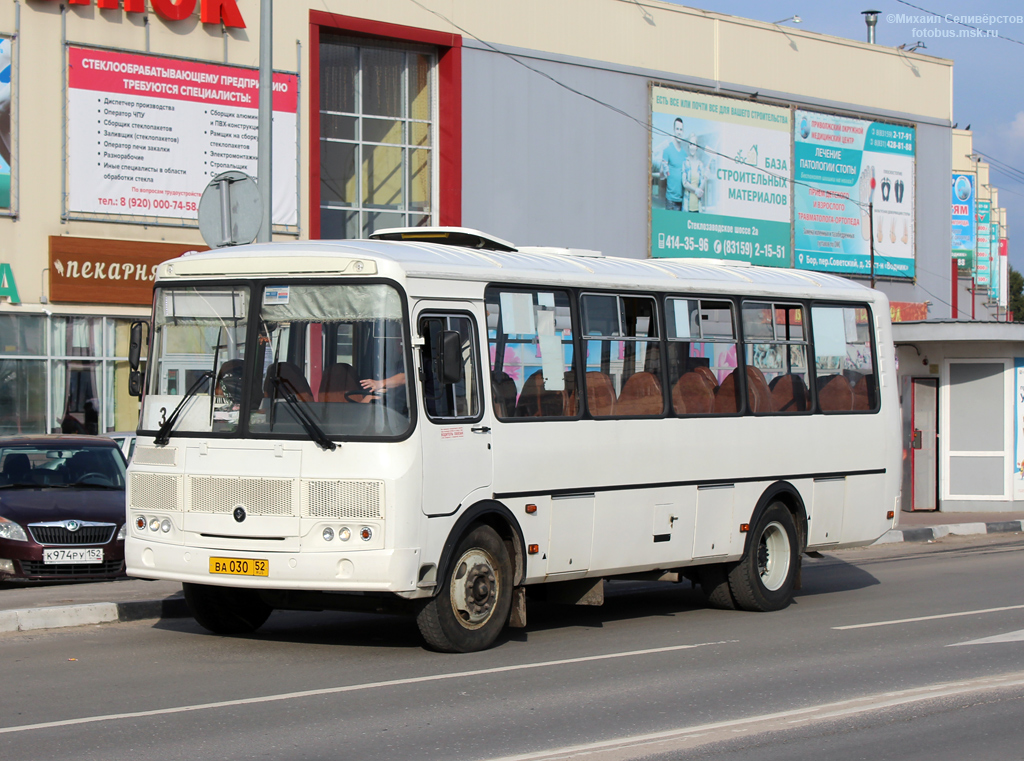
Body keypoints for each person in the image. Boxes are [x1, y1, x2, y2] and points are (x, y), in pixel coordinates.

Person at [656, 118, 687, 211]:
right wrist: (662, 169)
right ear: (674, 131)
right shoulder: (667, 150)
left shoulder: (685, 155)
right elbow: (662, 176)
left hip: (683, 201)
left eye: (681, 129)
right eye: (677, 129)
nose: (679, 132)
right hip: (671, 201)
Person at [682, 133, 705, 212]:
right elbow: (684, 183)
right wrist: (695, 190)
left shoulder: (700, 164)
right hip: (687, 206)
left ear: (697, 147)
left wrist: (705, 178)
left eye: (694, 144)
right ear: (688, 146)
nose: (692, 147)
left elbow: (701, 186)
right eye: (691, 144)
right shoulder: (685, 162)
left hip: (698, 206)